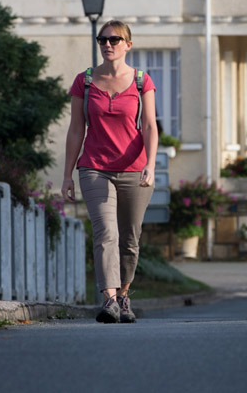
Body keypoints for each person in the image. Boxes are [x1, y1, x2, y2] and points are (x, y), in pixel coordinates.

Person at [61, 20, 158, 324]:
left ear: (128, 45)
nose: (108, 44)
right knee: (106, 233)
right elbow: (76, 129)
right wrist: (67, 175)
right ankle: (110, 300)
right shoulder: (85, 81)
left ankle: (125, 295)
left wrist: (151, 164)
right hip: (94, 167)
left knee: (129, 238)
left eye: (115, 39)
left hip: (134, 169)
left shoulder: (142, 81)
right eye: (102, 39)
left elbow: (150, 126)